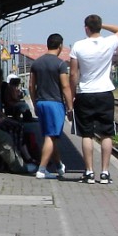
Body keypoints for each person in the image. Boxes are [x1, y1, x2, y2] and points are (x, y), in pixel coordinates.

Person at [70, 15, 118, 184]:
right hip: (105, 92)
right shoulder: (109, 42)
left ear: (86, 28)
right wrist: (103, 25)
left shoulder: (78, 46)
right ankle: (105, 173)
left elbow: (73, 73)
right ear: (100, 27)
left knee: (86, 134)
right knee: (106, 133)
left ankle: (88, 172)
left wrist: (73, 94)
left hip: (85, 93)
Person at [29, 33, 73, 179]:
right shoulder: (60, 64)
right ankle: (42, 170)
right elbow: (65, 86)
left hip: (41, 102)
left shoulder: (36, 63)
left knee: (50, 136)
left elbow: (31, 86)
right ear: (60, 46)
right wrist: (70, 106)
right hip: (55, 103)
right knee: (51, 136)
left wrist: (34, 103)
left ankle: (59, 165)